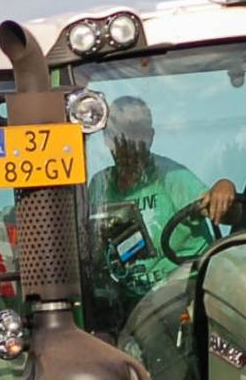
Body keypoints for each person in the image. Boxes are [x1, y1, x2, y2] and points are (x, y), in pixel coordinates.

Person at [86, 96, 222, 280]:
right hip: (128, 296)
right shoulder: (99, 185)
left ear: (150, 137)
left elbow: (220, 208)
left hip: (182, 288)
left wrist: (223, 190)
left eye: (136, 134)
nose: (128, 143)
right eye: (120, 135)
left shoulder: (170, 176)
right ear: (107, 139)